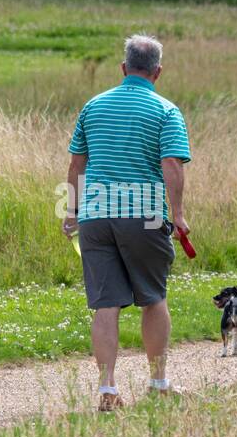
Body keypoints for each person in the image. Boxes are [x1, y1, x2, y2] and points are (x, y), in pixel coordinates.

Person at [63, 34, 192, 412]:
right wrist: (179, 214)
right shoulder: (166, 111)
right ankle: (158, 383)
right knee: (153, 298)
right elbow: (171, 165)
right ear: (158, 71)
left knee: (106, 304)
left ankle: (107, 389)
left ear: (123, 68)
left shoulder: (93, 107)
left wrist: (71, 211)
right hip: (146, 215)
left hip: (96, 215)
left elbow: (75, 165)